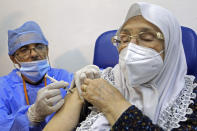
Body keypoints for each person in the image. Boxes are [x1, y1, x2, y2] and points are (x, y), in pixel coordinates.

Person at [43, 2, 197, 131]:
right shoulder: (102, 80)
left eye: (146, 38)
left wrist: (114, 104)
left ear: (171, 47)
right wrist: (76, 96)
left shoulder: (188, 99)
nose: (131, 47)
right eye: (123, 39)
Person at [0, 21, 73, 131]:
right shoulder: (3, 88)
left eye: (39, 46)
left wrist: (90, 72)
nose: (34, 54)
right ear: (13, 58)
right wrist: (30, 117)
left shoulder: (62, 76)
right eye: (24, 49)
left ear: (47, 50)